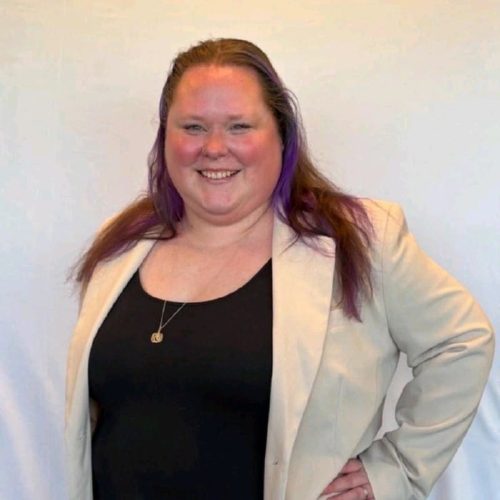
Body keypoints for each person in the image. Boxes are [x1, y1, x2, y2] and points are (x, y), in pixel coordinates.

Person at [65, 38, 494, 500]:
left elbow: (463, 342)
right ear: (165, 136)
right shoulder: (123, 242)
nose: (214, 147)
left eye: (239, 126)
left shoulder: (358, 239)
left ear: (281, 134)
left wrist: (395, 470)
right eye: (193, 127)